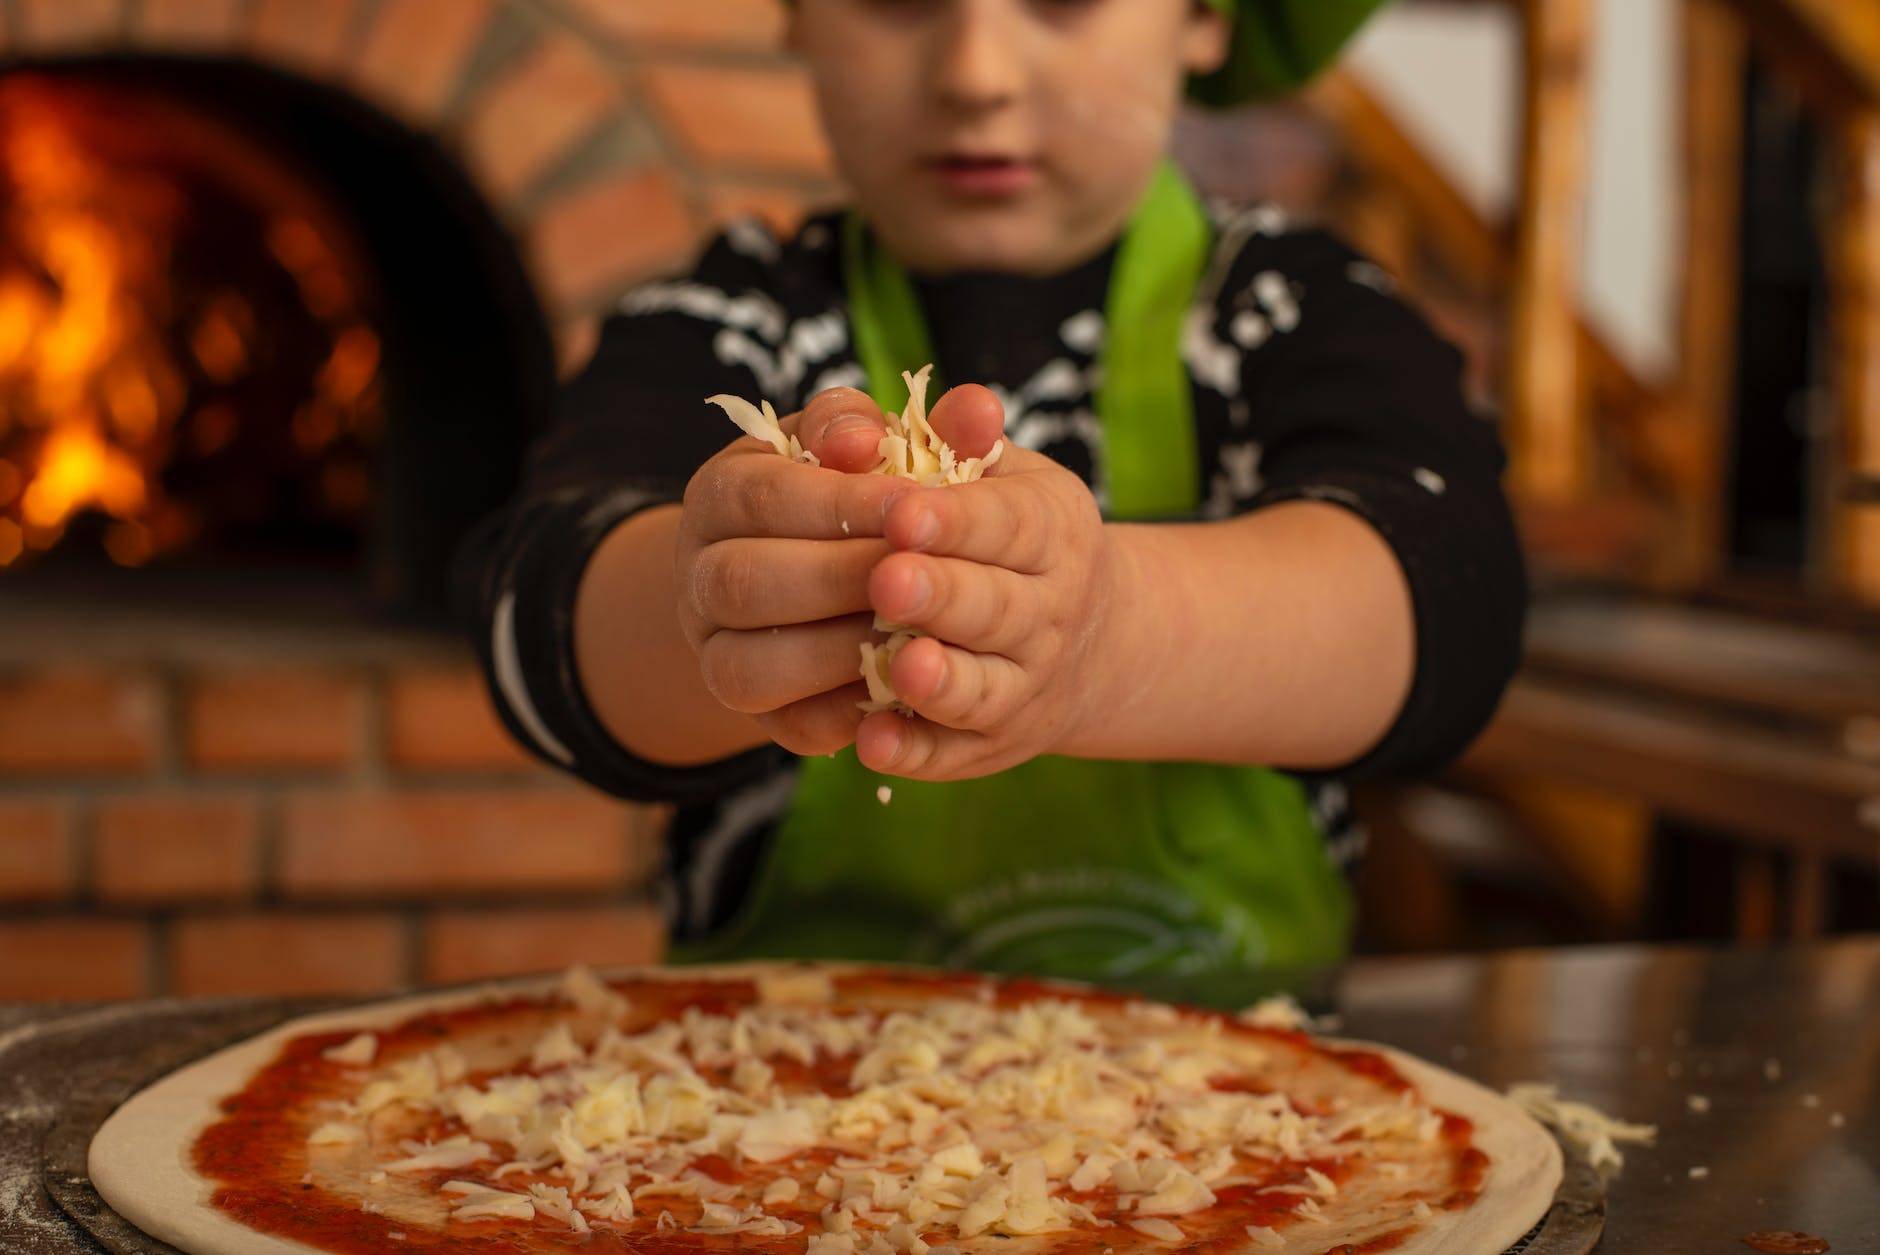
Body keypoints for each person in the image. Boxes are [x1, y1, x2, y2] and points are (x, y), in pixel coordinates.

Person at [460, 0, 1524, 981]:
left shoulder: (1292, 311)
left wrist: (1106, 632)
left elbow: (1452, 601)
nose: (974, 73)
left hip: (1246, 1121)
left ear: (1204, 15)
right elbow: (533, 612)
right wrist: (709, 600)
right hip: (763, 1120)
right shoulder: (730, 319)